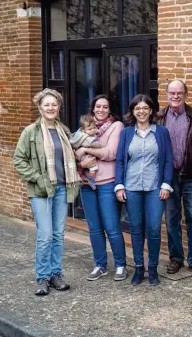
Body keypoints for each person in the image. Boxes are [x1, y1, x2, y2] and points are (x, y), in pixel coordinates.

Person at [13, 88, 80, 296]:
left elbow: (71, 157)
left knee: (58, 235)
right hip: (41, 191)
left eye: (54, 104)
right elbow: (19, 160)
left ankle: (55, 274)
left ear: (59, 107)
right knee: (45, 235)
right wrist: (39, 178)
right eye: (47, 104)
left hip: (62, 188)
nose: (51, 108)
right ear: (40, 107)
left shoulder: (64, 130)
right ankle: (42, 277)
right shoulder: (30, 132)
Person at [115, 94, 174, 286]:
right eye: (137, 108)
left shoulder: (161, 132)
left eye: (145, 108)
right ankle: (139, 268)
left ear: (151, 111)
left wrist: (166, 184)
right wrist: (119, 185)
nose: (141, 111)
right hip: (131, 187)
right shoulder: (126, 133)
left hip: (154, 188)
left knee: (154, 229)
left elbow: (167, 160)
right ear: (133, 111)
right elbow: (120, 161)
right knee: (136, 229)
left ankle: (153, 268)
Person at [155, 80, 192, 277]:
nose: (175, 96)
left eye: (179, 93)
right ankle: (176, 258)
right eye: (172, 93)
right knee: (171, 220)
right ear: (167, 94)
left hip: (191, 178)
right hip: (168, 179)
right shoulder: (159, 118)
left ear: (186, 94)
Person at [75, 95, 127, 282]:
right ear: (93, 108)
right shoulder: (85, 127)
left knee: (112, 227)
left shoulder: (116, 126)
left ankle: (120, 265)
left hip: (107, 183)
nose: (101, 110)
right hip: (86, 183)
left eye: (105, 107)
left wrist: (86, 150)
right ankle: (100, 265)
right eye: (98, 106)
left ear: (110, 109)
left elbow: (110, 153)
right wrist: (79, 157)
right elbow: (73, 149)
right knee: (94, 228)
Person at [71, 114, 104, 190]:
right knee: (94, 167)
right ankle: (91, 180)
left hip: (78, 155)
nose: (93, 130)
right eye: (90, 129)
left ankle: (78, 179)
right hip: (84, 156)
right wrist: (102, 145)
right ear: (83, 130)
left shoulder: (77, 135)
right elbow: (94, 144)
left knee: (80, 169)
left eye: (94, 128)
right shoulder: (87, 138)